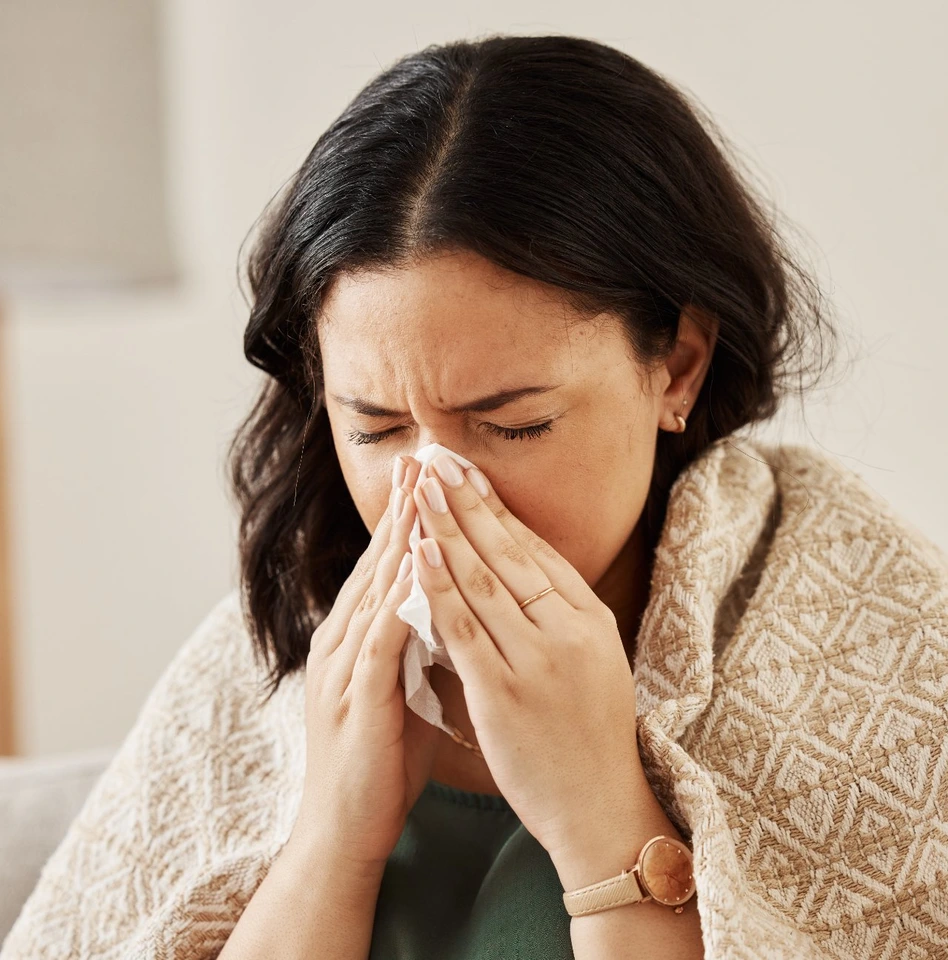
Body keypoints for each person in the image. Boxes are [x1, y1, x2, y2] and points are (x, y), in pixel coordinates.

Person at [3, 32, 947, 960]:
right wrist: (332, 841)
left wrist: (602, 819)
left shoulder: (877, 659)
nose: (433, 491)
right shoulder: (270, 654)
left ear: (679, 366)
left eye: (514, 424)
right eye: (375, 428)